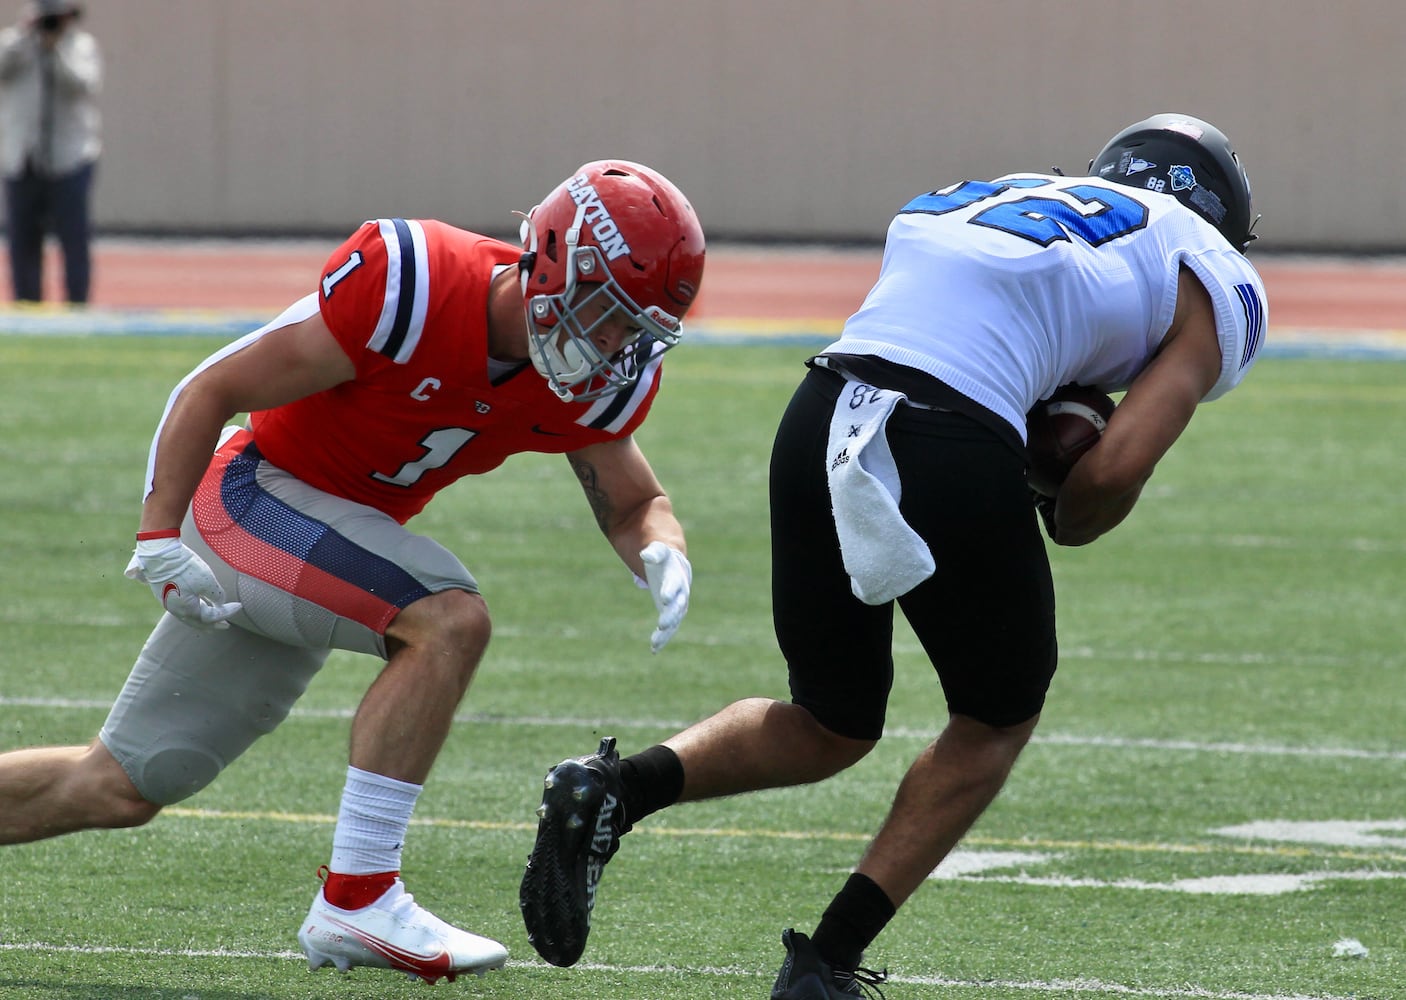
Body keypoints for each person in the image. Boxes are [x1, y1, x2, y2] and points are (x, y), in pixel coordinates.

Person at [519, 114, 1267, 998]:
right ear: (1218, 215)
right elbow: (1111, 474)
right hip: (946, 429)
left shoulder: (998, 192)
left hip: (820, 405)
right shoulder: (1212, 270)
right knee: (995, 719)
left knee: (831, 719)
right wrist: (1057, 501)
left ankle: (611, 790)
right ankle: (826, 964)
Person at [0, 159, 706, 984]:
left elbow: (632, 499)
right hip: (249, 498)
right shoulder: (415, 282)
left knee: (120, 783)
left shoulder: (589, 385)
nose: (616, 345)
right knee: (448, 621)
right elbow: (213, 385)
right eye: (609, 314)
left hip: (325, 537)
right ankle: (358, 895)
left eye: (637, 331)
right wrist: (159, 535)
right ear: (554, 257)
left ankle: (356, 898)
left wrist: (664, 546)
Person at [0, 0, 101, 304]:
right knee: (23, 241)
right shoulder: (15, 44)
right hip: (23, 158)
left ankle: (77, 306)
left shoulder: (80, 46)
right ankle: (27, 305)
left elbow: (83, 84)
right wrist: (25, 37)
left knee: (74, 239)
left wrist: (54, 50)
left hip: (70, 158)